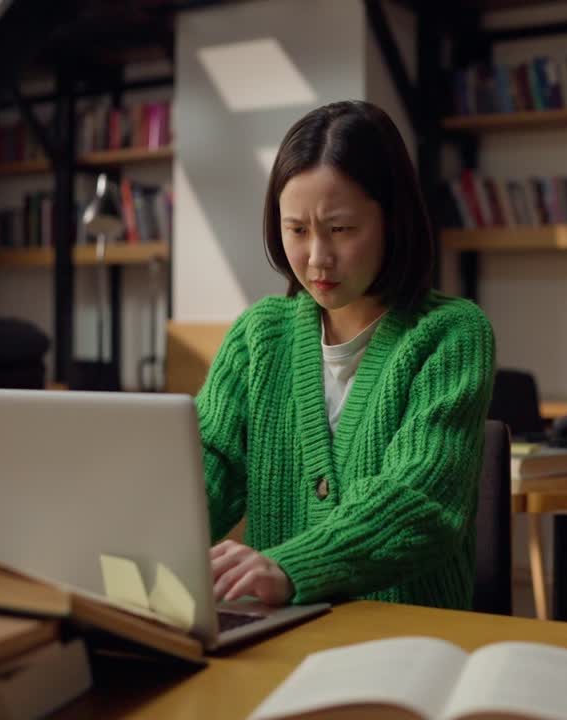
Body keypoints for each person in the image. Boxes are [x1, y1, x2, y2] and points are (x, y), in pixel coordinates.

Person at [199, 100, 496, 610]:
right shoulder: (257, 337)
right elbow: (206, 466)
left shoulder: (450, 334)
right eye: (296, 230)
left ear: (392, 220)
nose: (317, 258)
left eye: (341, 230)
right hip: (283, 640)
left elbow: (419, 500)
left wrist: (292, 566)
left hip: (408, 643)